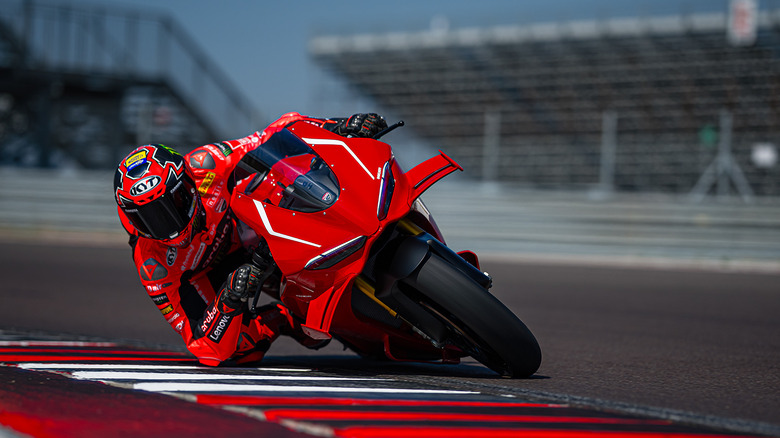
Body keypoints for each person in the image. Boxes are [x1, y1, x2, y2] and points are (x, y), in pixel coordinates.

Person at [113, 112, 387, 366]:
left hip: (250, 222)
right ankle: (283, 320)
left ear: (187, 183)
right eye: (150, 218)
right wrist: (229, 299)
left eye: (173, 203)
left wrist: (337, 126)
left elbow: (273, 134)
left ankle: (351, 212)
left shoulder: (207, 164)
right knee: (236, 351)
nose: (168, 225)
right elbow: (200, 345)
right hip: (217, 277)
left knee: (287, 168)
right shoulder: (153, 265)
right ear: (130, 218)